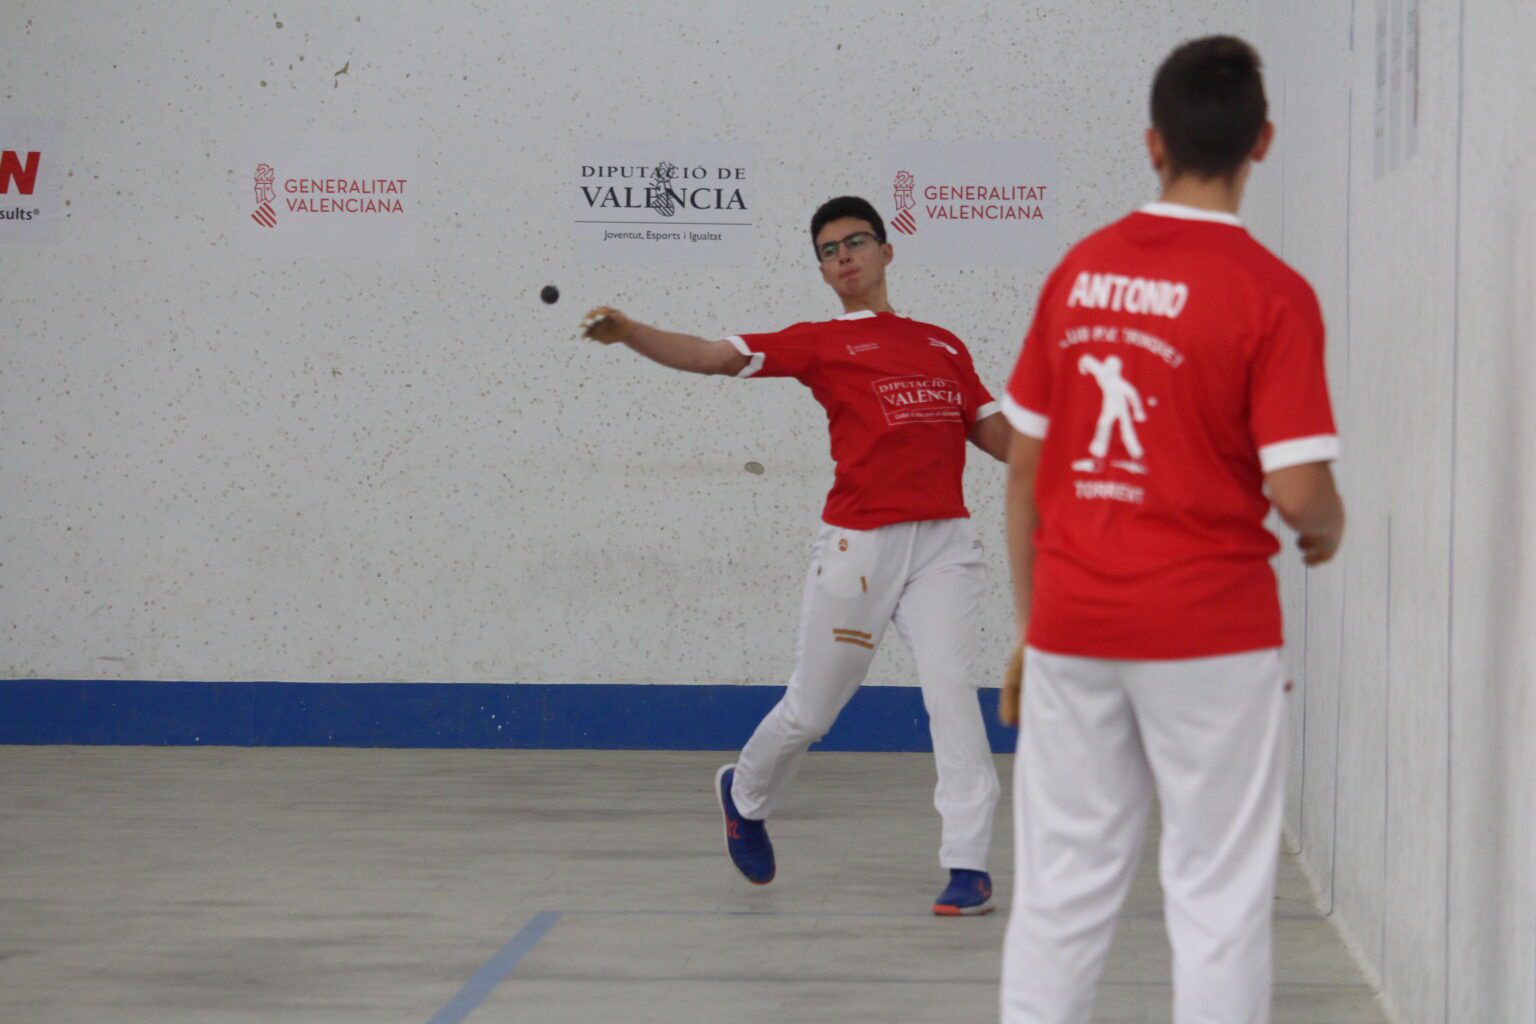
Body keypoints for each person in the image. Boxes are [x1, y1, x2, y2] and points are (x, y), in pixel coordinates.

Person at [997, 36, 1347, 1022]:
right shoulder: (1272, 293)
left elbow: (1024, 468)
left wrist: (1030, 625)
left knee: (1059, 896)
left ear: (1153, 142)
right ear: (1262, 142)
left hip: (1073, 624)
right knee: (1216, 898)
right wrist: (1330, 525)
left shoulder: (1078, 272)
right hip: (1212, 634)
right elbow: (1299, 490)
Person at [580, 195, 1011, 914]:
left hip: (944, 546)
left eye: (856, 242)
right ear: (822, 270)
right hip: (858, 547)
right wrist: (631, 333)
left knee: (952, 694)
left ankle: (967, 864)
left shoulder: (943, 344)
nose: (844, 257)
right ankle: (745, 794)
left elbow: (993, 433)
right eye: (828, 251)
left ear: (886, 251)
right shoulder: (820, 343)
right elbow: (713, 357)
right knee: (810, 714)